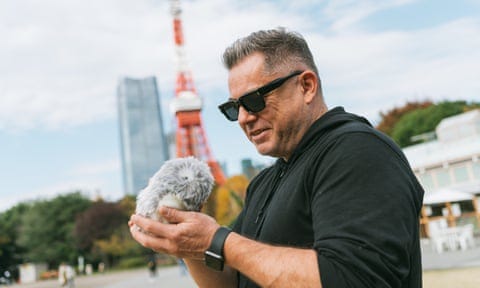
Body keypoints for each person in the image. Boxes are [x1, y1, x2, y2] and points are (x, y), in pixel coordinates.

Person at [129, 27, 424, 287]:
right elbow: (233, 281)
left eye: (254, 100)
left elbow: (353, 279)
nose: (244, 117)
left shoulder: (358, 151)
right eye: (233, 108)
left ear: (306, 86)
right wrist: (189, 246)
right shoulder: (264, 182)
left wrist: (218, 240)